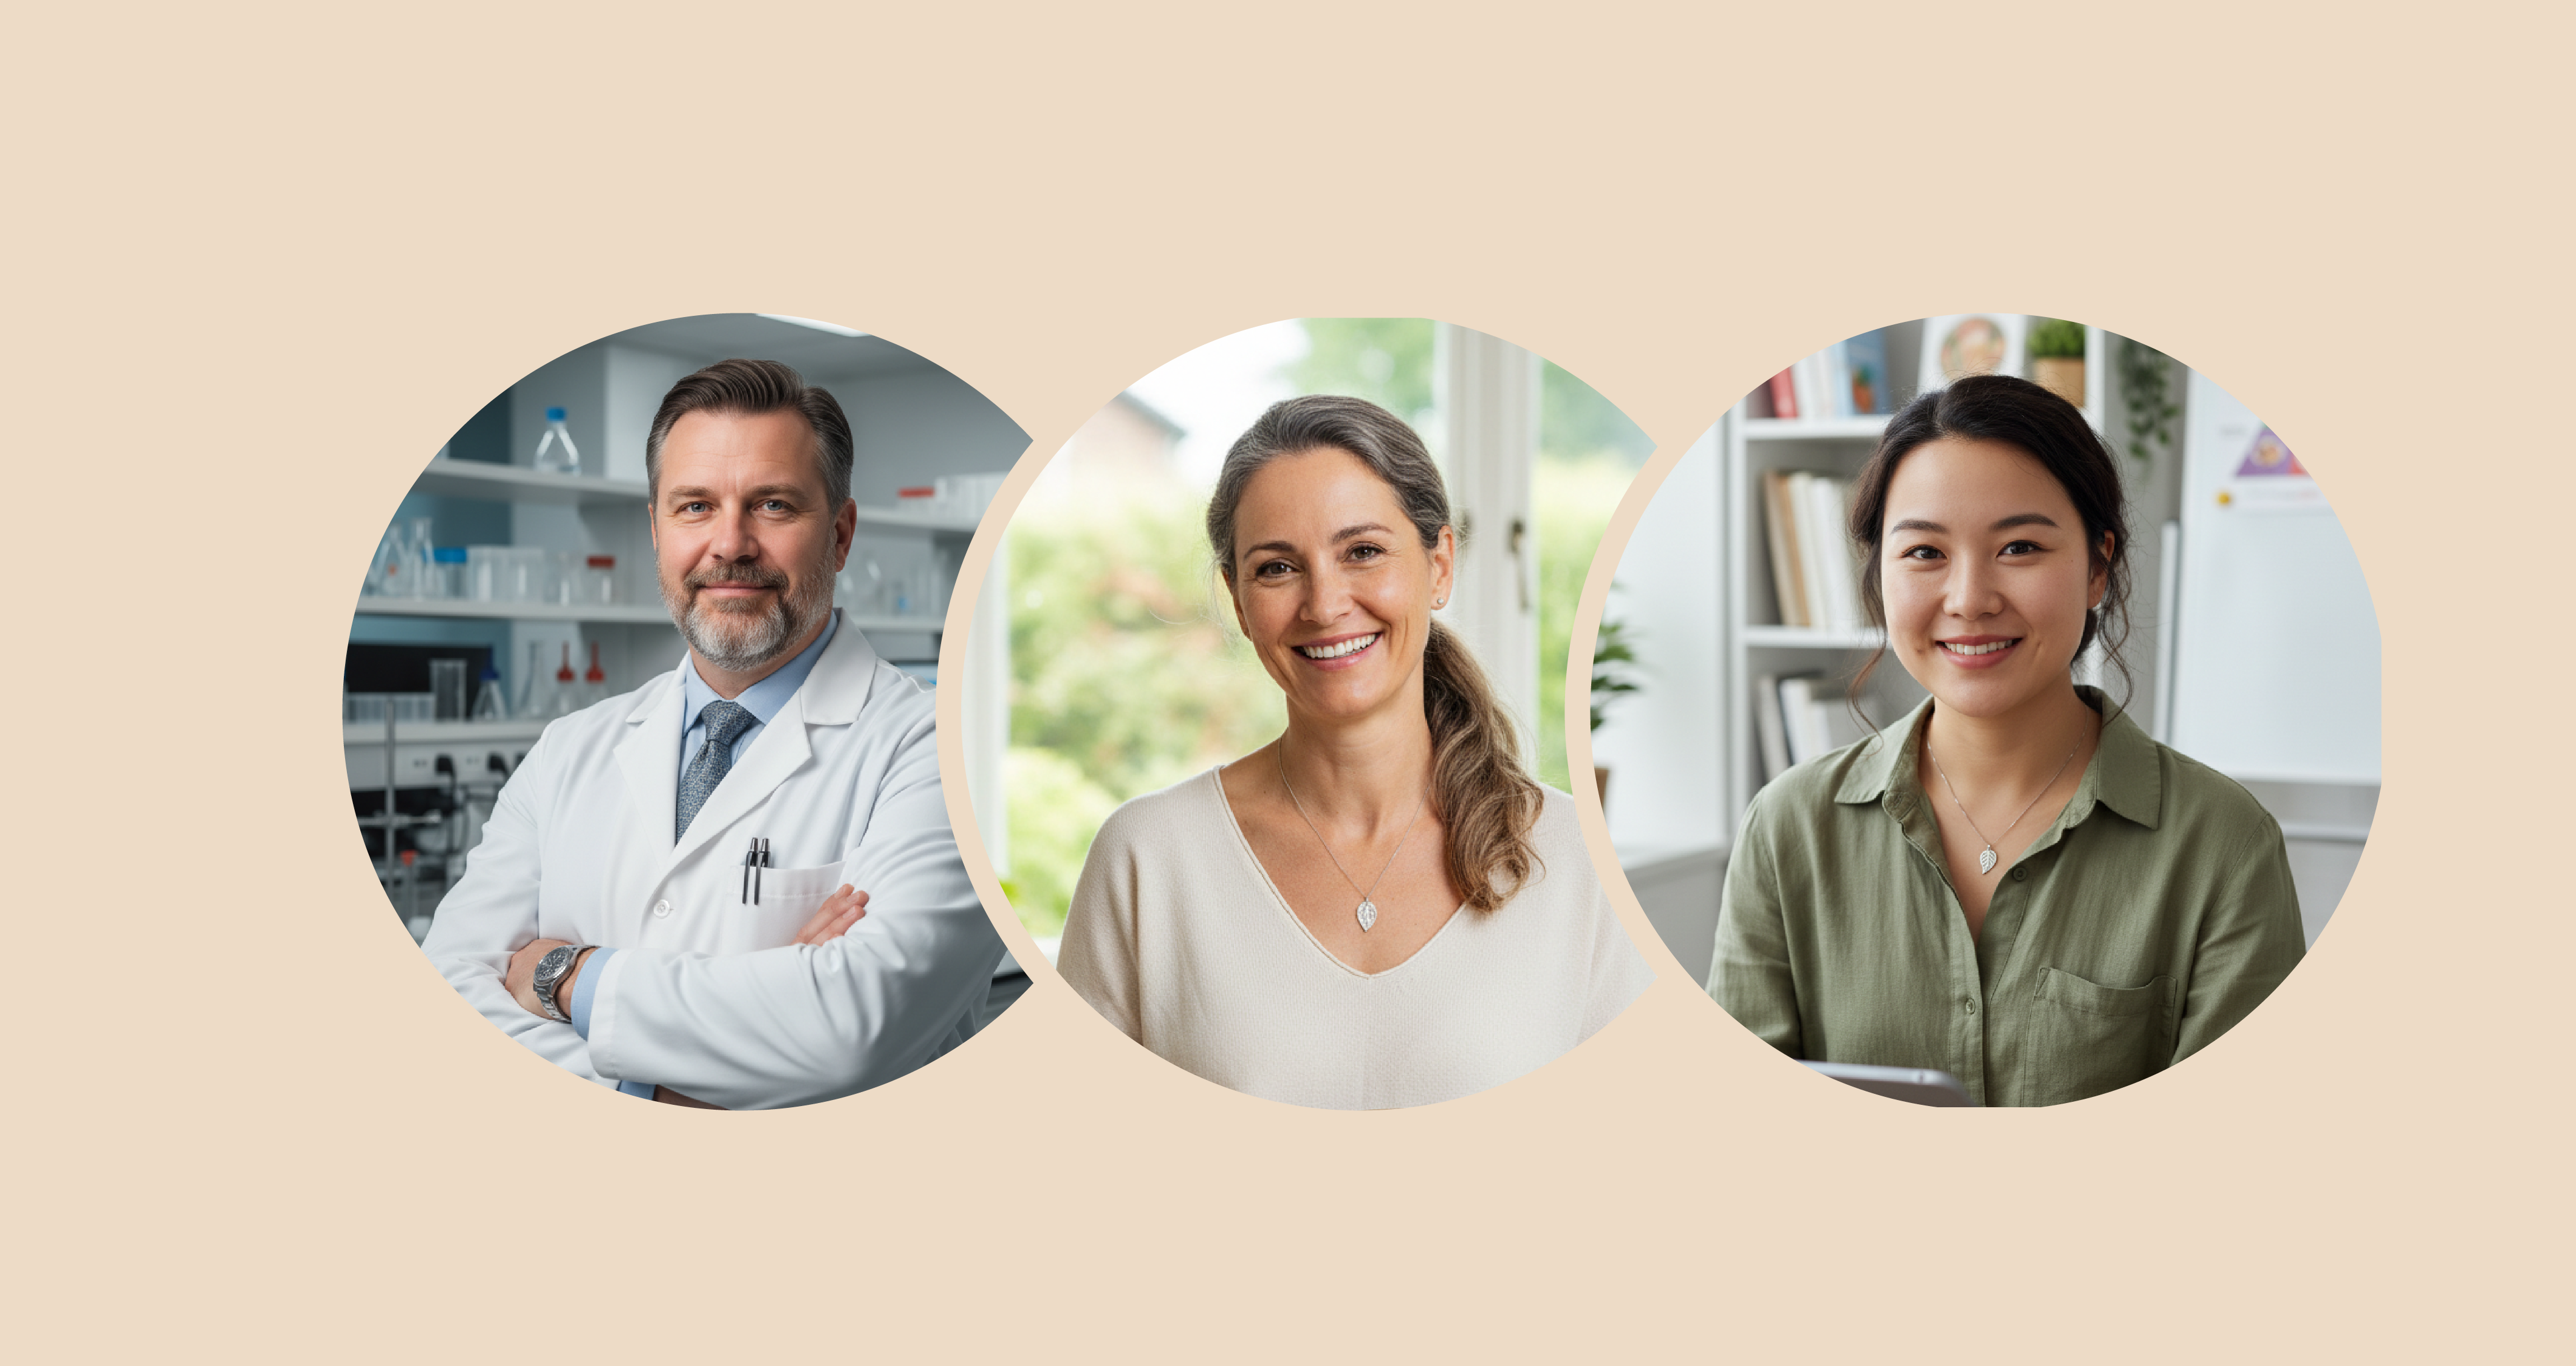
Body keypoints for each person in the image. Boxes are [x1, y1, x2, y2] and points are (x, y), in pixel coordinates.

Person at [1708, 374, 2305, 1107]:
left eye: (2019, 547)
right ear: (1878, 577)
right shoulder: (1788, 828)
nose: (1969, 599)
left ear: (2097, 566)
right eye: (1925, 553)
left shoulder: (2223, 844)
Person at [424, 358, 1003, 1108]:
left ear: (842, 534)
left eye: (772, 505)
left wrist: (560, 974)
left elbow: (850, 1025)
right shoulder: (570, 750)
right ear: (657, 531)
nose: (730, 544)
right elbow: (449, 986)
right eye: (695, 506)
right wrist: (674, 1092)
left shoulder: (952, 754)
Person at [1057, 394, 1649, 1108]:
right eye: (1277, 568)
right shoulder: (1148, 858)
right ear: (1239, 602)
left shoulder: (1574, 853)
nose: (1325, 603)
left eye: (1363, 552)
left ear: (1439, 566)